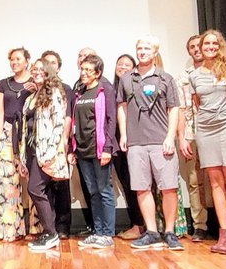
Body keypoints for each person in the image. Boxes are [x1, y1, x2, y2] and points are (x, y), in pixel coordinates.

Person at [118, 37, 184, 252]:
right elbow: (122, 107)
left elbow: (173, 108)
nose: (142, 52)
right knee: (141, 188)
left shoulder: (165, 78)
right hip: (136, 143)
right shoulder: (127, 78)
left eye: (147, 48)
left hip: (160, 141)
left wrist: (170, 136)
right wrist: (124, 134)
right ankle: (152, 232)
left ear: (155, 52)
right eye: (139, 48)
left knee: (168, 188)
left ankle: (170, 232)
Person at [189, 30, 226, 255]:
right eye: (206, 44)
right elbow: (197, 103)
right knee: (215, 182)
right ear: (200, 47)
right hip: (206, 129)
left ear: (220, 45)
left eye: (215, 43)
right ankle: (222, 232)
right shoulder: (195, 75)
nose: (210, 47)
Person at [19, 59, 71, 252]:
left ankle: (51, 233)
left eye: (42, 69)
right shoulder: (31, 97)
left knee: (35, 189)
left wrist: (50, 152)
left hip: (46, 151)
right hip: (32, 151)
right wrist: (23, 156)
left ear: (49, 72)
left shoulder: (54, 93)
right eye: (35, 69)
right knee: (37, 191)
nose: (37, 72)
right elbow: (26, 128)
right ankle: (49, 232)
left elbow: (58, 124)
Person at [70, 54, 118, 248]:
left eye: (89, 70)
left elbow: (111, 119)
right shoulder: (79, 91)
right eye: (82, 69)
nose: (84, 73)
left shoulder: (104, 89)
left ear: (98, 72)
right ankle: (97, 231)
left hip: (99, 149)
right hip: (82, 150)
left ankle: (107, 233)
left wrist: (107, 147)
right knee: (93, 192)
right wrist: (73, 148)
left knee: (104, 190)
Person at [0, 47, 32, 241]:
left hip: (29, 133)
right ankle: (8, 228)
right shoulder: (3, 84)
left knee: (33, 182)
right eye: (12, 60)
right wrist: (0, 138)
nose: (15, 63)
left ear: (26, 60)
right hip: (7, 132)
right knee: (7, 183)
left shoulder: (34, 82)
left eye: (18, 59)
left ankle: (38, 229)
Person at [177, 35, 211, 241]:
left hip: (215, 132)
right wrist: (181, 137)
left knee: (220, 179)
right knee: (194, 181)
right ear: (189, 51)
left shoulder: (218, 72)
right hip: (191, 134)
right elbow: (179, 109)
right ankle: (200, 225)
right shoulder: (182, 78)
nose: (197, 49)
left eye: (200, 45)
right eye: (192, 47)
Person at [111, 53, 146, 240]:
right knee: (126, 181)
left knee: (137, 182)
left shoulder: (135, 86)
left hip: (134, 138)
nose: (122, 67)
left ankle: (142, 225)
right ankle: (137, 223)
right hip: (116, 140)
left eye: (127, 64)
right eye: (119, 64)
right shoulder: (110, 87)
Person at [40, 50, 73, 239]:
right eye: (47, 63)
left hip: (59, 142)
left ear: (58, 67)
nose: (50, 66)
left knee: (61, 185)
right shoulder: (38, 89)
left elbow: (68, 116)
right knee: (45, 187)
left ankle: (63, 227)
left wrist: (64, 141)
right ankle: (48, 226)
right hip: (43, 145)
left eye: (53, 63)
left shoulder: (65, 88)